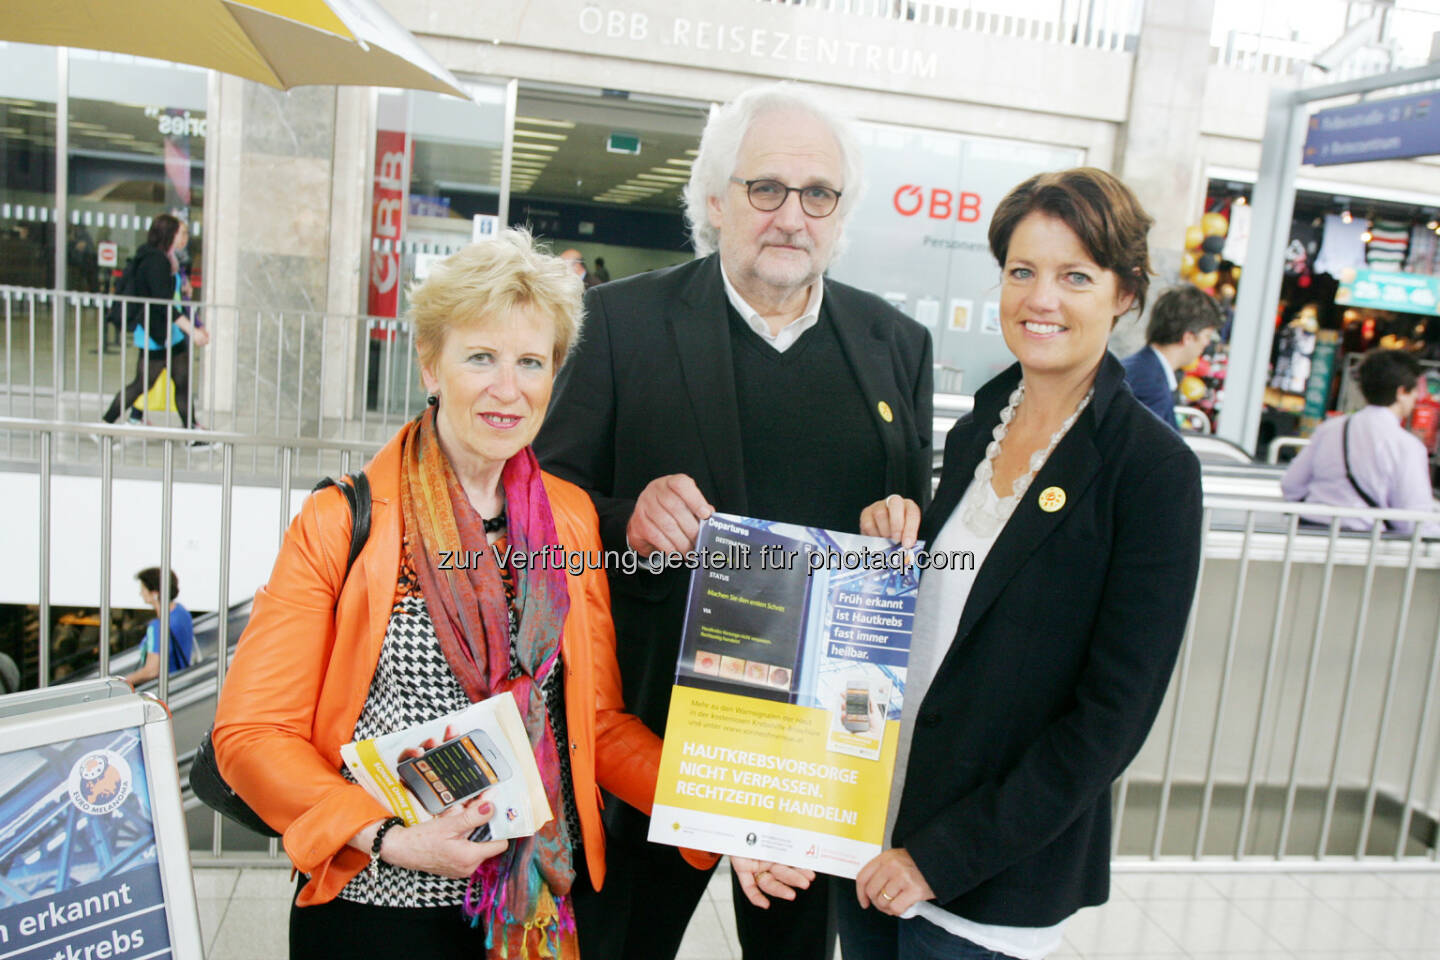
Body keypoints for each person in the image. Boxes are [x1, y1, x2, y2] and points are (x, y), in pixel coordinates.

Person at [212, 230, 710, 958]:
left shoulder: (566, 520)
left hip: (536, 908)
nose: (508, 388)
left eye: (531, 362)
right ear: (431, 362)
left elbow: (594, 726)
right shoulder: (343, 522)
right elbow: (252, 735)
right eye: (481, 357)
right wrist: (389, 837)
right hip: (382, 905)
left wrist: (726, 819)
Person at [535, 81, 933, 960]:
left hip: (813, 756)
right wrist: (624, 519)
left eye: (818, 194)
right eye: (767, 189)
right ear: (715, 201)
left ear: (840, 212)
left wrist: (905, 523)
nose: (792, 216)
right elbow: (541, 501)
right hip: (652, 736)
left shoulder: (894, 347)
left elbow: (914, 534)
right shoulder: (620, 323)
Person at [853, 168, 1202, 959]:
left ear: (1123, 293)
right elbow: (962, 621)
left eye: (1075, 275)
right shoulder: (978, 427)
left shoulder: (1148, 471)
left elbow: (1110, 720)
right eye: (1022, 271)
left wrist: (941, 858)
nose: (1040, 299)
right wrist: (893, 549)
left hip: (984, 878)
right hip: (876, 834)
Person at [1282, 348, 1440, 536]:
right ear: (1401, 392)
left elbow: (1291, 484)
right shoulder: (1407, 446)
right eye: (1415, 390)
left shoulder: (1330, 429)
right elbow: (1413, 520)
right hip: (1362, 546)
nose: (1417, 397)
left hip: (1309, 533)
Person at [101, 215, 210, 429]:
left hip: (171, 333)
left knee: (182, 381)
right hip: (157, 333)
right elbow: (163, 303)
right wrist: (192, 329)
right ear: (170, 234)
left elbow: (175, 300)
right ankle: (106, 423)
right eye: (181, 233)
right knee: (142, 384)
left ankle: (191, 431)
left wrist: (194, 324)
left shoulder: (169, 260)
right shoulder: (156, 261)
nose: (185, 237)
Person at [1120, 285, 1222, 429]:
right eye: (1207, 336)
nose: (1207, 343)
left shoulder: (1140, 369)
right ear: (1188, 337)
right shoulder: (1152, 387)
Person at [123, 566, 195, 687]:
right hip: (180, 681)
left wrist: (123, 681)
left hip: (164, 688)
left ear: (155, 593)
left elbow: (151, 671)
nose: (140, 593)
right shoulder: (182, 612)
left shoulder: (157, 627)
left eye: (143, 589)